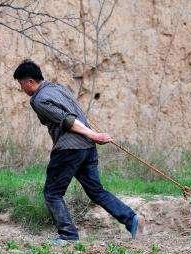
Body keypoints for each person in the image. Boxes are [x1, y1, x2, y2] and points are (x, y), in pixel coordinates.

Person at [13, 59, 144, 243]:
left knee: (52, 192)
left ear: (29, 82)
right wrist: (92, 136)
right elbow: (77, 112)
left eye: (21, 84)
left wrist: (94, 135)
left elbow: (67, 120)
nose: (22, 89)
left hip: (69, 148)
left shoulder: (39, 99)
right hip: (87, 148)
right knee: (96, 191)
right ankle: (132, 220)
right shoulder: (58, 88)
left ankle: (68, 235)